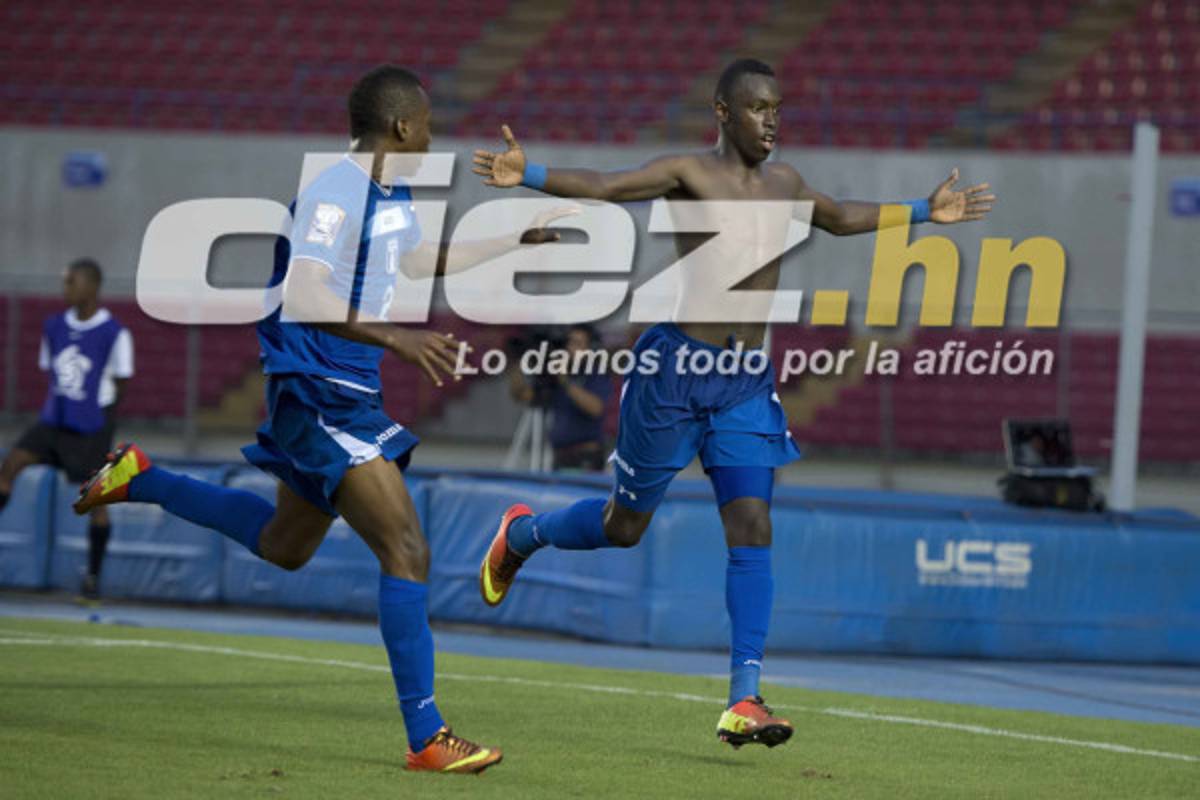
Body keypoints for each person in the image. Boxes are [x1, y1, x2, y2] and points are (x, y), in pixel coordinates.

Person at [474, 58, 995, 748]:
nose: (771, 120)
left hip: (744, 381)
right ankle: (521, 535)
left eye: (777, 108)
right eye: (757, 108)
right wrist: (529, 174)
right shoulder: (690, 174)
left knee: (751, 522)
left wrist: (928, 211)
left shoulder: (785, 183)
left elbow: (840, 218)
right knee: (624, 526)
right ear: (723, 113)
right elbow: (607, 186)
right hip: (672, 376)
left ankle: (744, 697)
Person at [74, 64, 566, 774]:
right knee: (408, 551)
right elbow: (305, 288)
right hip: (318, 392)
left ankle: (142, 478)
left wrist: (519, 241)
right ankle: (427, 735)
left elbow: (421, 260)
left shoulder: (387, 192)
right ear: (401, 126)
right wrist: (398, 337)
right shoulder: (335, 190)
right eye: (426, 123)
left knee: (284, 546)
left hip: (345, 391)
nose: (432, 134)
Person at [0, 259, 133, 601]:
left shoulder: (115, 333)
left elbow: (121, 383)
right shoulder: (54, 325)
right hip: (53, 422)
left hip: (90, 429)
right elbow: (52, 371)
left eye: (71, 282)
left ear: (91, 286)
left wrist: (99, 421)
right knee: (9, 467)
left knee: (96, 501)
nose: (65, 289)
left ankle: (92, 579)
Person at [509, 324, 610, 471]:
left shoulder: (595, 373)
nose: (571, 348)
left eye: (578, 343)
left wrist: (565, 381)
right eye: (569, 342)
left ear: (591, 348)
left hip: (586, 456)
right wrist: (519, 363)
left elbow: (596, 408)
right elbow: (524, 395)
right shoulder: (557, 376)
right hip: (560, 456)